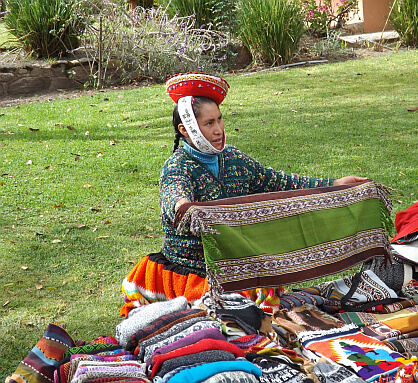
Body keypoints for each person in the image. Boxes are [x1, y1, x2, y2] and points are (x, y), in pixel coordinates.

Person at [121, 72, 367, 316]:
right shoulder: (177, 166)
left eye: (219, 119)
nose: (218, 130)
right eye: (209, 123)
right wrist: (184, 206)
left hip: (234, 265)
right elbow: (174, 195)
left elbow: (277, 182)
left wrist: (334, 183)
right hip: (193, 270)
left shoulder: (234, 159)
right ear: (185, 130)